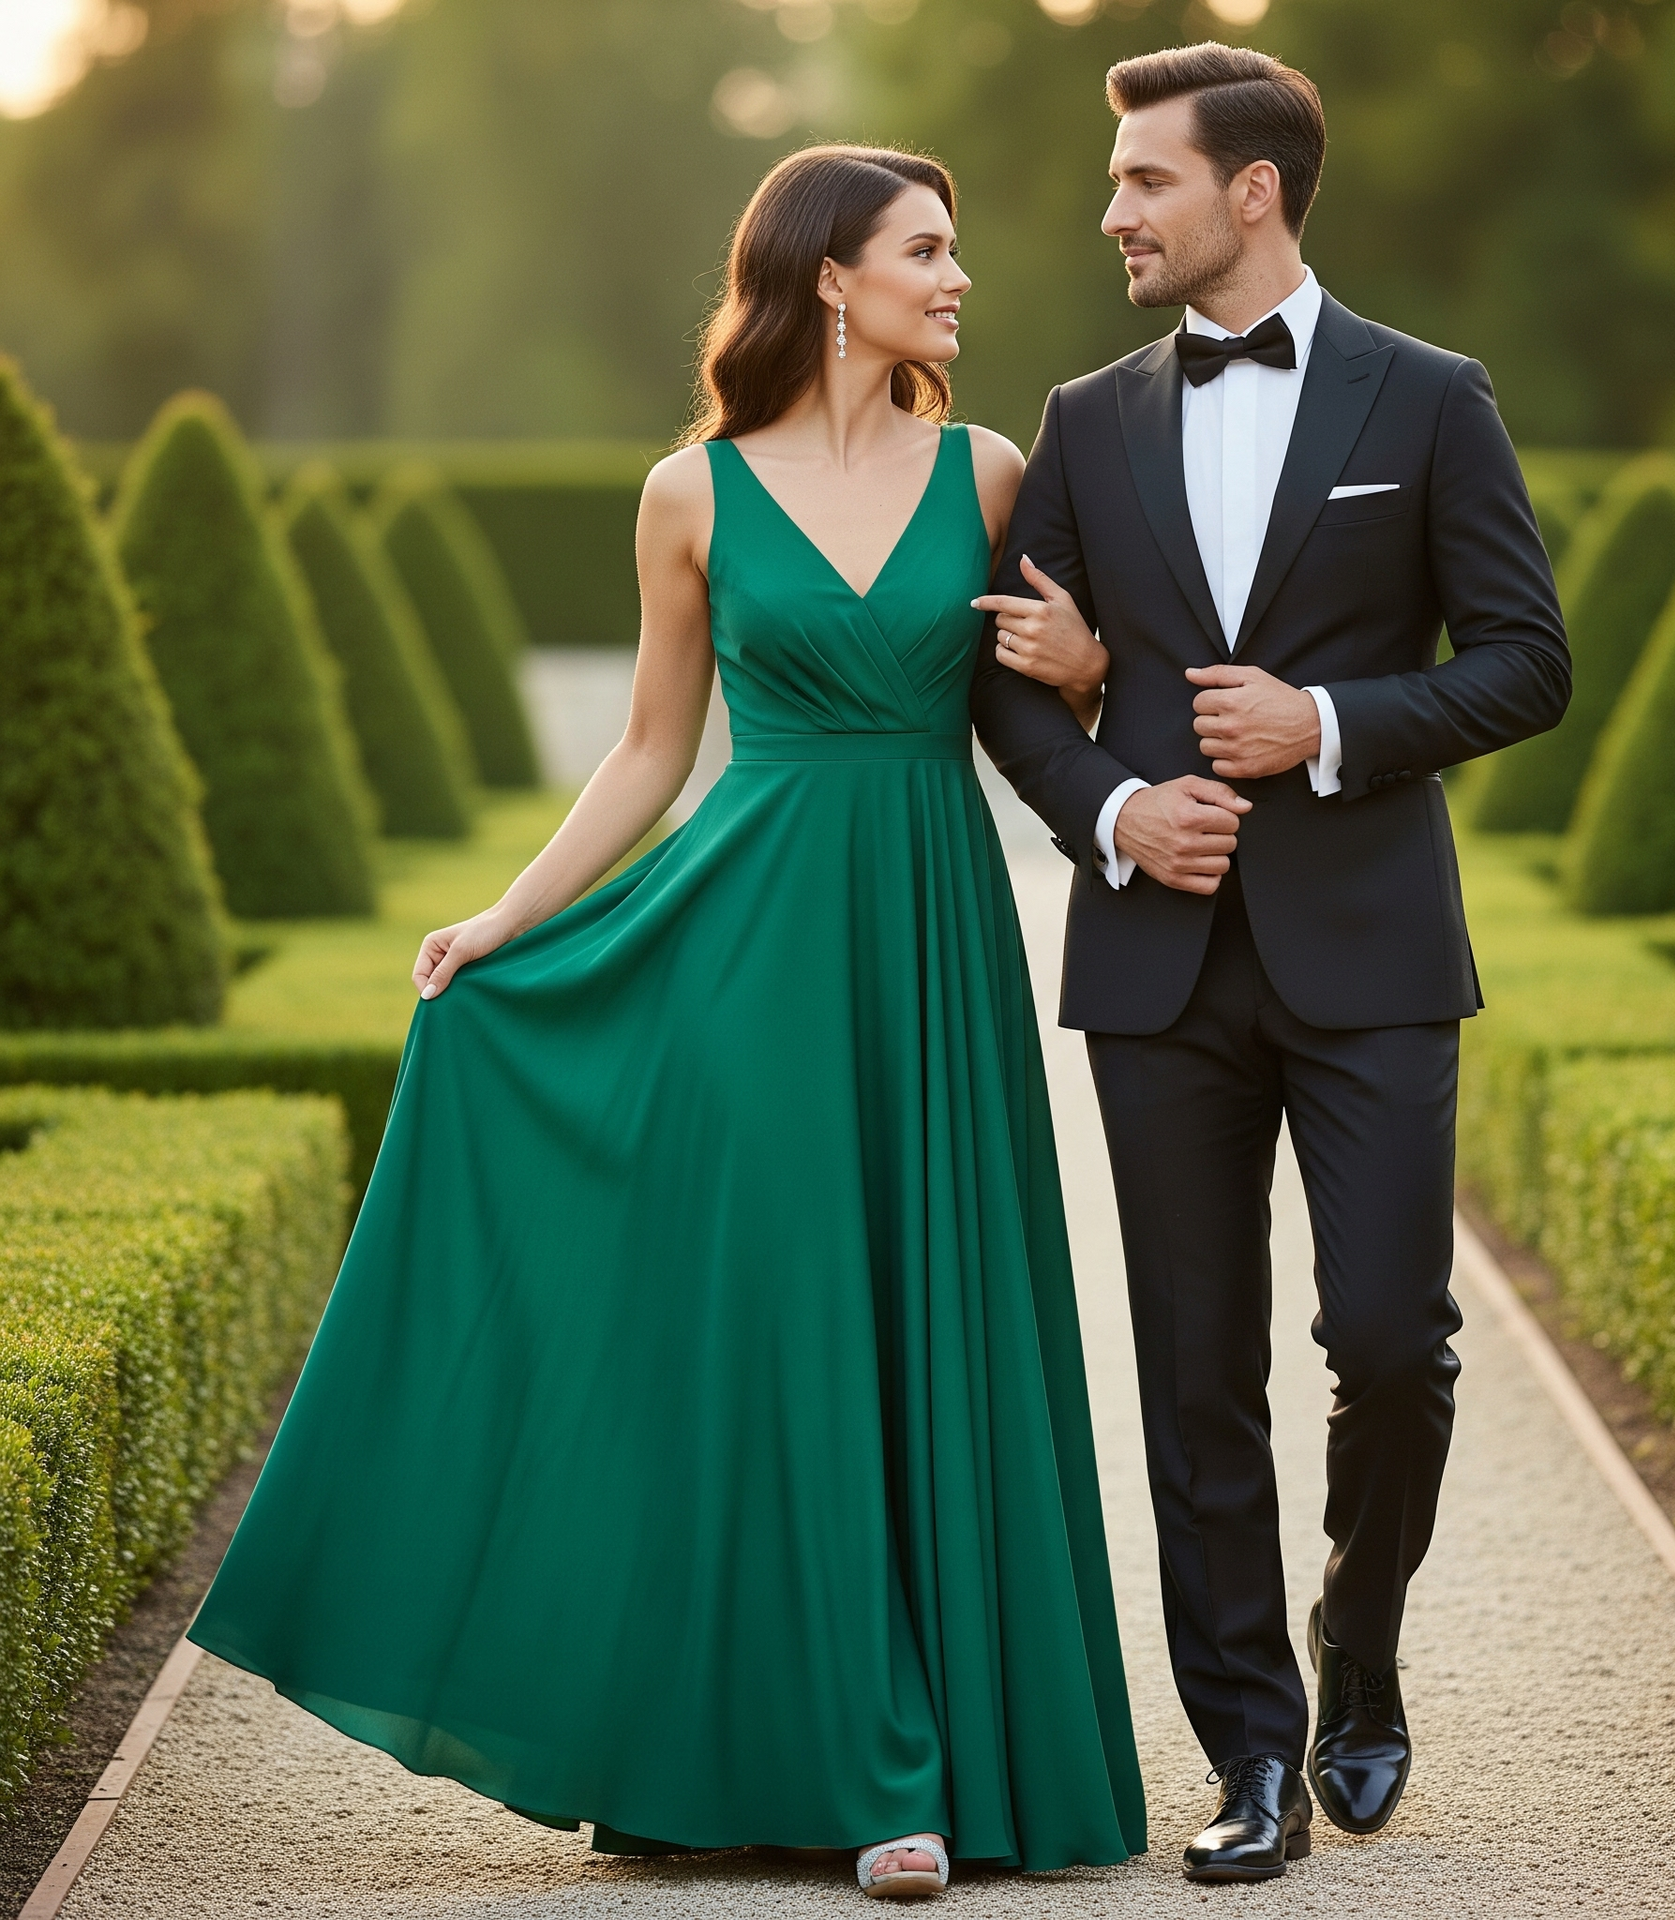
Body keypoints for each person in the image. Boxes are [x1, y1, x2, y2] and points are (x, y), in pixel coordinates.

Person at [189, 145, 1146, 1900]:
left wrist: (1090, 676)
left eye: (954, 252)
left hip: (935, 943)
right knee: (795, 1343)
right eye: (925, 251)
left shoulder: (991, 471)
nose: (956, 280)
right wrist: (501, 919)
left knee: (933, 1316)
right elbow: (649, 751)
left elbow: (1074, 683)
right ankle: (873, 1773)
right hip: (751, 958)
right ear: (828, 276)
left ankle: (950, 1750)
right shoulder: (687, 496)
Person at [972, 42, 1570, 1886]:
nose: (1111, 210)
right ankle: (1249, 1754)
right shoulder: (1080, 419)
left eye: (1143, 177)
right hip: (1158, 967)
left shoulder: (1432, 399)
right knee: (1191, 1374)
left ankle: (1359, 1645)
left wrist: (1325, 719)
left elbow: (1527, 661)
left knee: (1392, 1343)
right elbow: (1005, 675)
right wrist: (1110, 806)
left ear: (1255, 190)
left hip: (1374, 948)